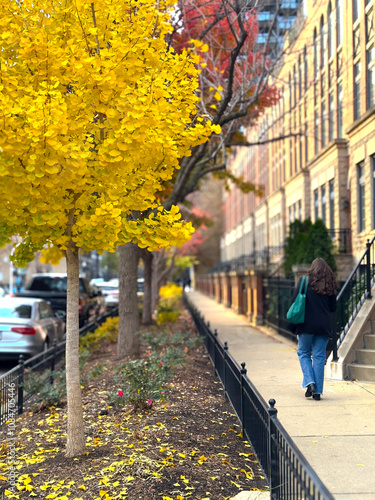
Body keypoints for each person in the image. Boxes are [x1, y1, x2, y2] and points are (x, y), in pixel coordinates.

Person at [291, 258, 338, 401]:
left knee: (303, 353)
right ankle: (317, 392)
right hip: (323, 325)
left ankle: (310, 383)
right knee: (319, 356)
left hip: (306, 324)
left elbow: (294, 301)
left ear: (312, 268)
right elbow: (333, 308)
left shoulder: (304, 281)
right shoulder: (330, 284)